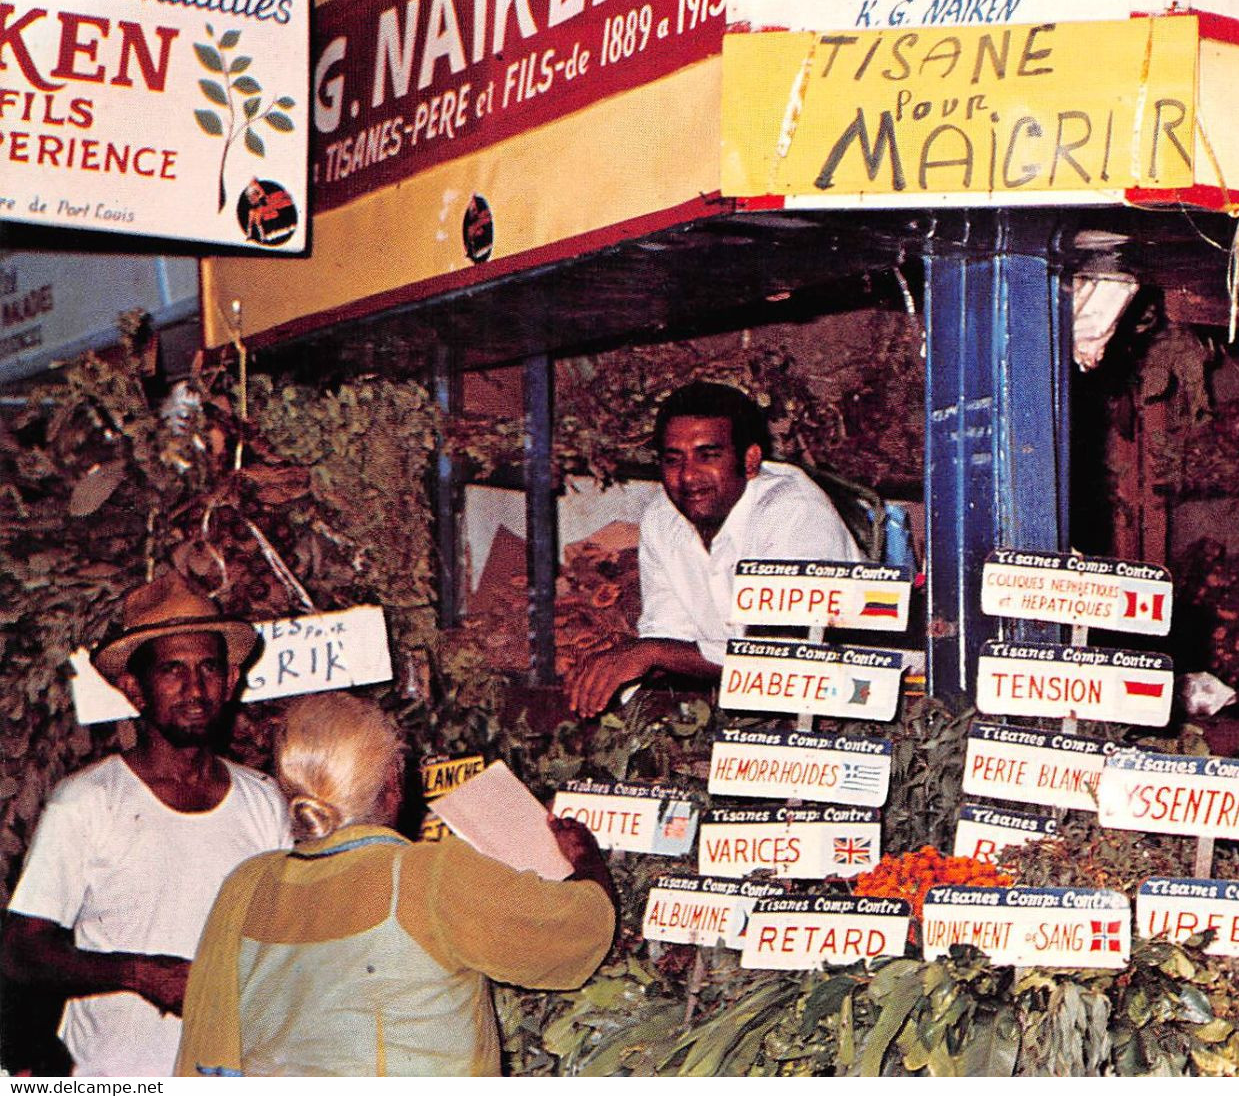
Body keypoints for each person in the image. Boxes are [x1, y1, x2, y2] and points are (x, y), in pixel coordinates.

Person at [175, 693, 617, 1076]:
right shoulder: (429, 874)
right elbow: (575, 933)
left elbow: (205, 1050)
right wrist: (586, 861)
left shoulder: (247, 884)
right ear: (392, 781)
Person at [1, 574, 291, 1076]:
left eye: (208, 668)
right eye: (172, 670)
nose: (195, 689)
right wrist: (139, 974)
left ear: (230, 680)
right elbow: (20, 951)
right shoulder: (89, 801)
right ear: (134, 688)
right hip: (114, 1076)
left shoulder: (264, 800)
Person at [567, 381, 861, 716]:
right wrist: (603, 676)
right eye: (673, 459)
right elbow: (669, 635)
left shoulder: (793, 511)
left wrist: (649, 653)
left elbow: (781, 664)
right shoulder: (663, 518)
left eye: (708, 456)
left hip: (847, 709)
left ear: (750, 461)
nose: (688, 476)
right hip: (746, 711)